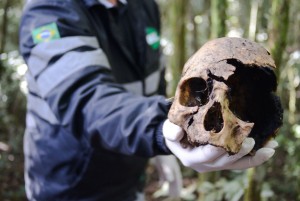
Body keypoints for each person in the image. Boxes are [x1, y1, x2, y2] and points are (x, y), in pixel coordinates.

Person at [19, 0, 278, 200]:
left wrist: (159, 151)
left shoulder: (143, 6)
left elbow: (156, 81)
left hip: (130, 176)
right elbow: (85, 98)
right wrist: (163, 127)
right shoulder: (49, 12)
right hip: (68, 185)